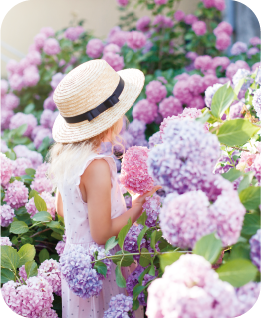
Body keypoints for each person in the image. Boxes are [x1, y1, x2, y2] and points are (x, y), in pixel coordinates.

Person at [48, 59, 161, 318]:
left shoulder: (68, 158)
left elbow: (63, 210)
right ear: (110, 120)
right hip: (100, 268)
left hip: (77, 266)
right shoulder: (97, 166)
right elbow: (101, 235)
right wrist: (138, 203)